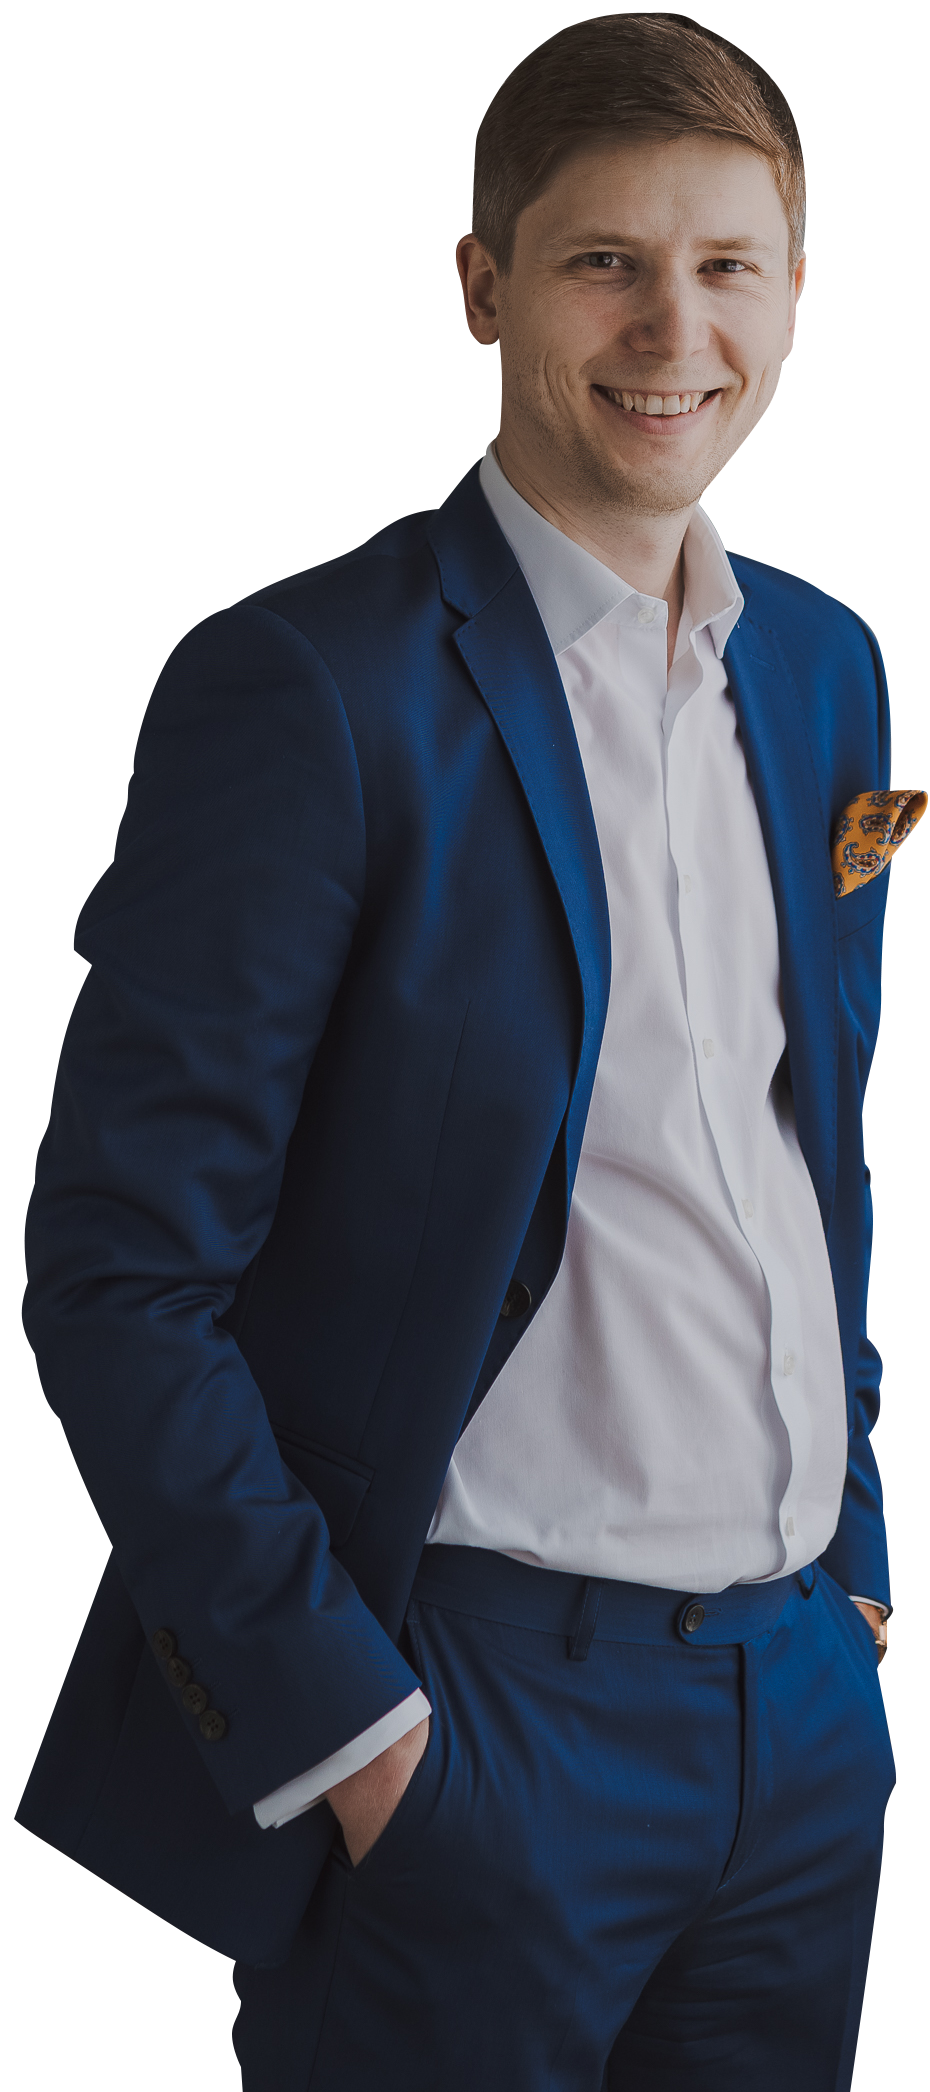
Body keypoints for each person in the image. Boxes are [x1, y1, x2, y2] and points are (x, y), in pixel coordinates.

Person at [17, 14, 919, 2089]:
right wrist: (356, 1734)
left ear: (796, 292)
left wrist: (855, 1577)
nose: (673, 328)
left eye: (726, 265)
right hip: (476, 1713)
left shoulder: (824, 664)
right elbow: (119, 1270)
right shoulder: (304, 686)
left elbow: (809, 1147)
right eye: (605, 260)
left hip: (801, 1709)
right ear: (483, 284)